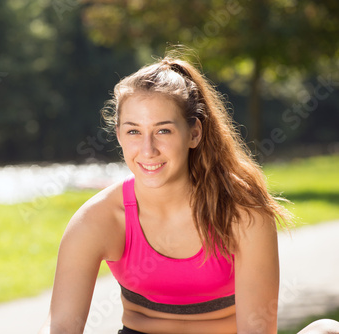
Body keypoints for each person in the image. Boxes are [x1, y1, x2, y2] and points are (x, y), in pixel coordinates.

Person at [39, 53, 339, 333]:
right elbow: (63, 328)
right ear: (118, 135)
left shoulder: (242, 212)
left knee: (326, 329)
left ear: (194, 133)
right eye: (133, 131)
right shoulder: (98, 220)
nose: (148, 149)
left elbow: (257, 329)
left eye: (163, 130)